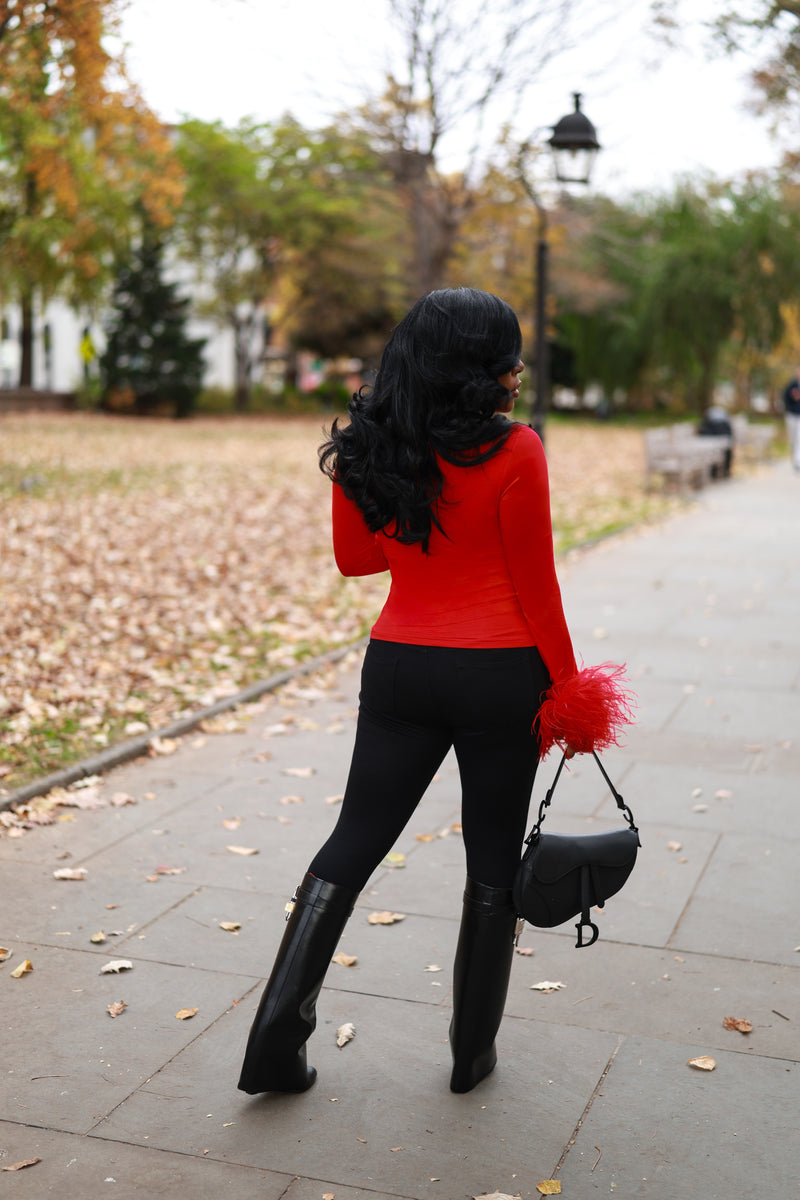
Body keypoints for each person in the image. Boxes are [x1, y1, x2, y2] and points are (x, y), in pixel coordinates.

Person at [237, 287, 633, 1097]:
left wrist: (420, 520)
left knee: (353, 842)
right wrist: (570, 692)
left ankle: (275, 1043)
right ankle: (470, 1053)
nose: (517, 368)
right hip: (501, 677)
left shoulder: (366, 445)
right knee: (492, 858)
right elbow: (535, 584)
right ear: (484, 366)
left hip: (401, 667)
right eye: (508, 355)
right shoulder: (517, 449)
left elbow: (358, 561)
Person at [782, 369, 800, 471]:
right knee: (793, 438)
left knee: (799, 438)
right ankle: (794, 458)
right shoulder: (792, 385)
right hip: (791, 414)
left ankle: (798, 460)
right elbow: (785, 397)